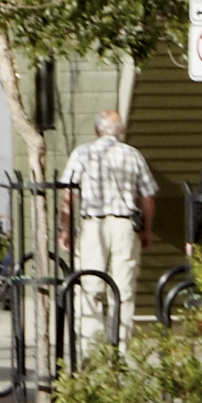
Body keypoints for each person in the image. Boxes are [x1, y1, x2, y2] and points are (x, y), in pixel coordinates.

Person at [58, 108, 156, 342]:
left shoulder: (83, 154)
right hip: (124, 225)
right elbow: (147, 198)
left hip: (94, 225)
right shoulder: (132, 155)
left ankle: (91, 349)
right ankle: (119, 351)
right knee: (123, 291)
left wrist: (65, 227)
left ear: (96, 130)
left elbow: (68, 194)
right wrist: (147, 229)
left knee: (89, 288)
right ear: (120, 131)